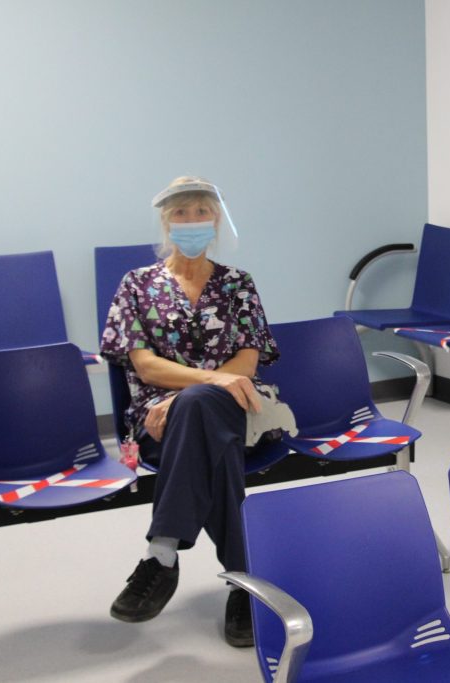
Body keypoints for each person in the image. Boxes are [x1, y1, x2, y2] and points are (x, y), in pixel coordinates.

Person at [100, 176, 285, 648]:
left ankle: (161, 556)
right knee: (209, 432)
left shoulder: (237, 283)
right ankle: (245, 579)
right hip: (158, 417)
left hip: (238, 408)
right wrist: (204, 384)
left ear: (216, 219)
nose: (191, 221)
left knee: (204, 410)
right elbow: (142, 363)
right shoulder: (137, 284)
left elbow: (246, 361)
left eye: (200, 211)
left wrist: (198, 391)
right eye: (180, 213)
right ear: (166, 221)